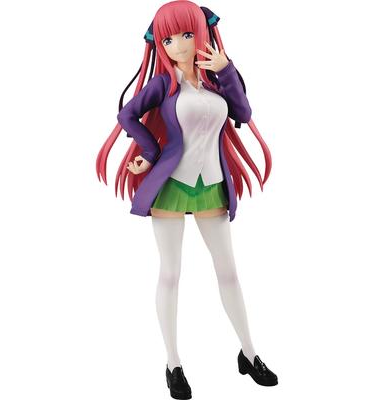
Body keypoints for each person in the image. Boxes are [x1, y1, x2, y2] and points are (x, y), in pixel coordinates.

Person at [96, 1, 277, 398]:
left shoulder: (218, 78)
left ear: (203, 33)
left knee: (228, 271)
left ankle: (249, 353)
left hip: (211, 184)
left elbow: (243, 114)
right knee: (170, 273)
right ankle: (173, 363)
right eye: (168, 39)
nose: (178, 45)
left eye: (187, 34)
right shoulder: (164, 84)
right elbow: (127, 115)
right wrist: (148, 151)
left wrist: (226, 70)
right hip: (171, 185)